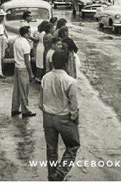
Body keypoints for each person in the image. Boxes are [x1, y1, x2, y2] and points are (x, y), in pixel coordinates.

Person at [39, 50, 80, 181]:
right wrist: (74, 118)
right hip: (64, 117)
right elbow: (74, 106)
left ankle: (52, 175)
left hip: (48, 116)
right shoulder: (70, 81)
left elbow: (40, 102)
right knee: (73, 146)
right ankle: (60, 174)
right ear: (67, 63)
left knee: (51, 149)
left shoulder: (45, 78)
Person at [11, 26, 37, 118]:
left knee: (17, 90)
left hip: (17, 66)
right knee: (24, 90)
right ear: (25, 34)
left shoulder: (17, 41)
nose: (30, 35)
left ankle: (14, 108)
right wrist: (31, 74)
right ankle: (25, 110)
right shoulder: (26, 43)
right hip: (23, 68)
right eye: (29, 33)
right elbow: (27, 60)